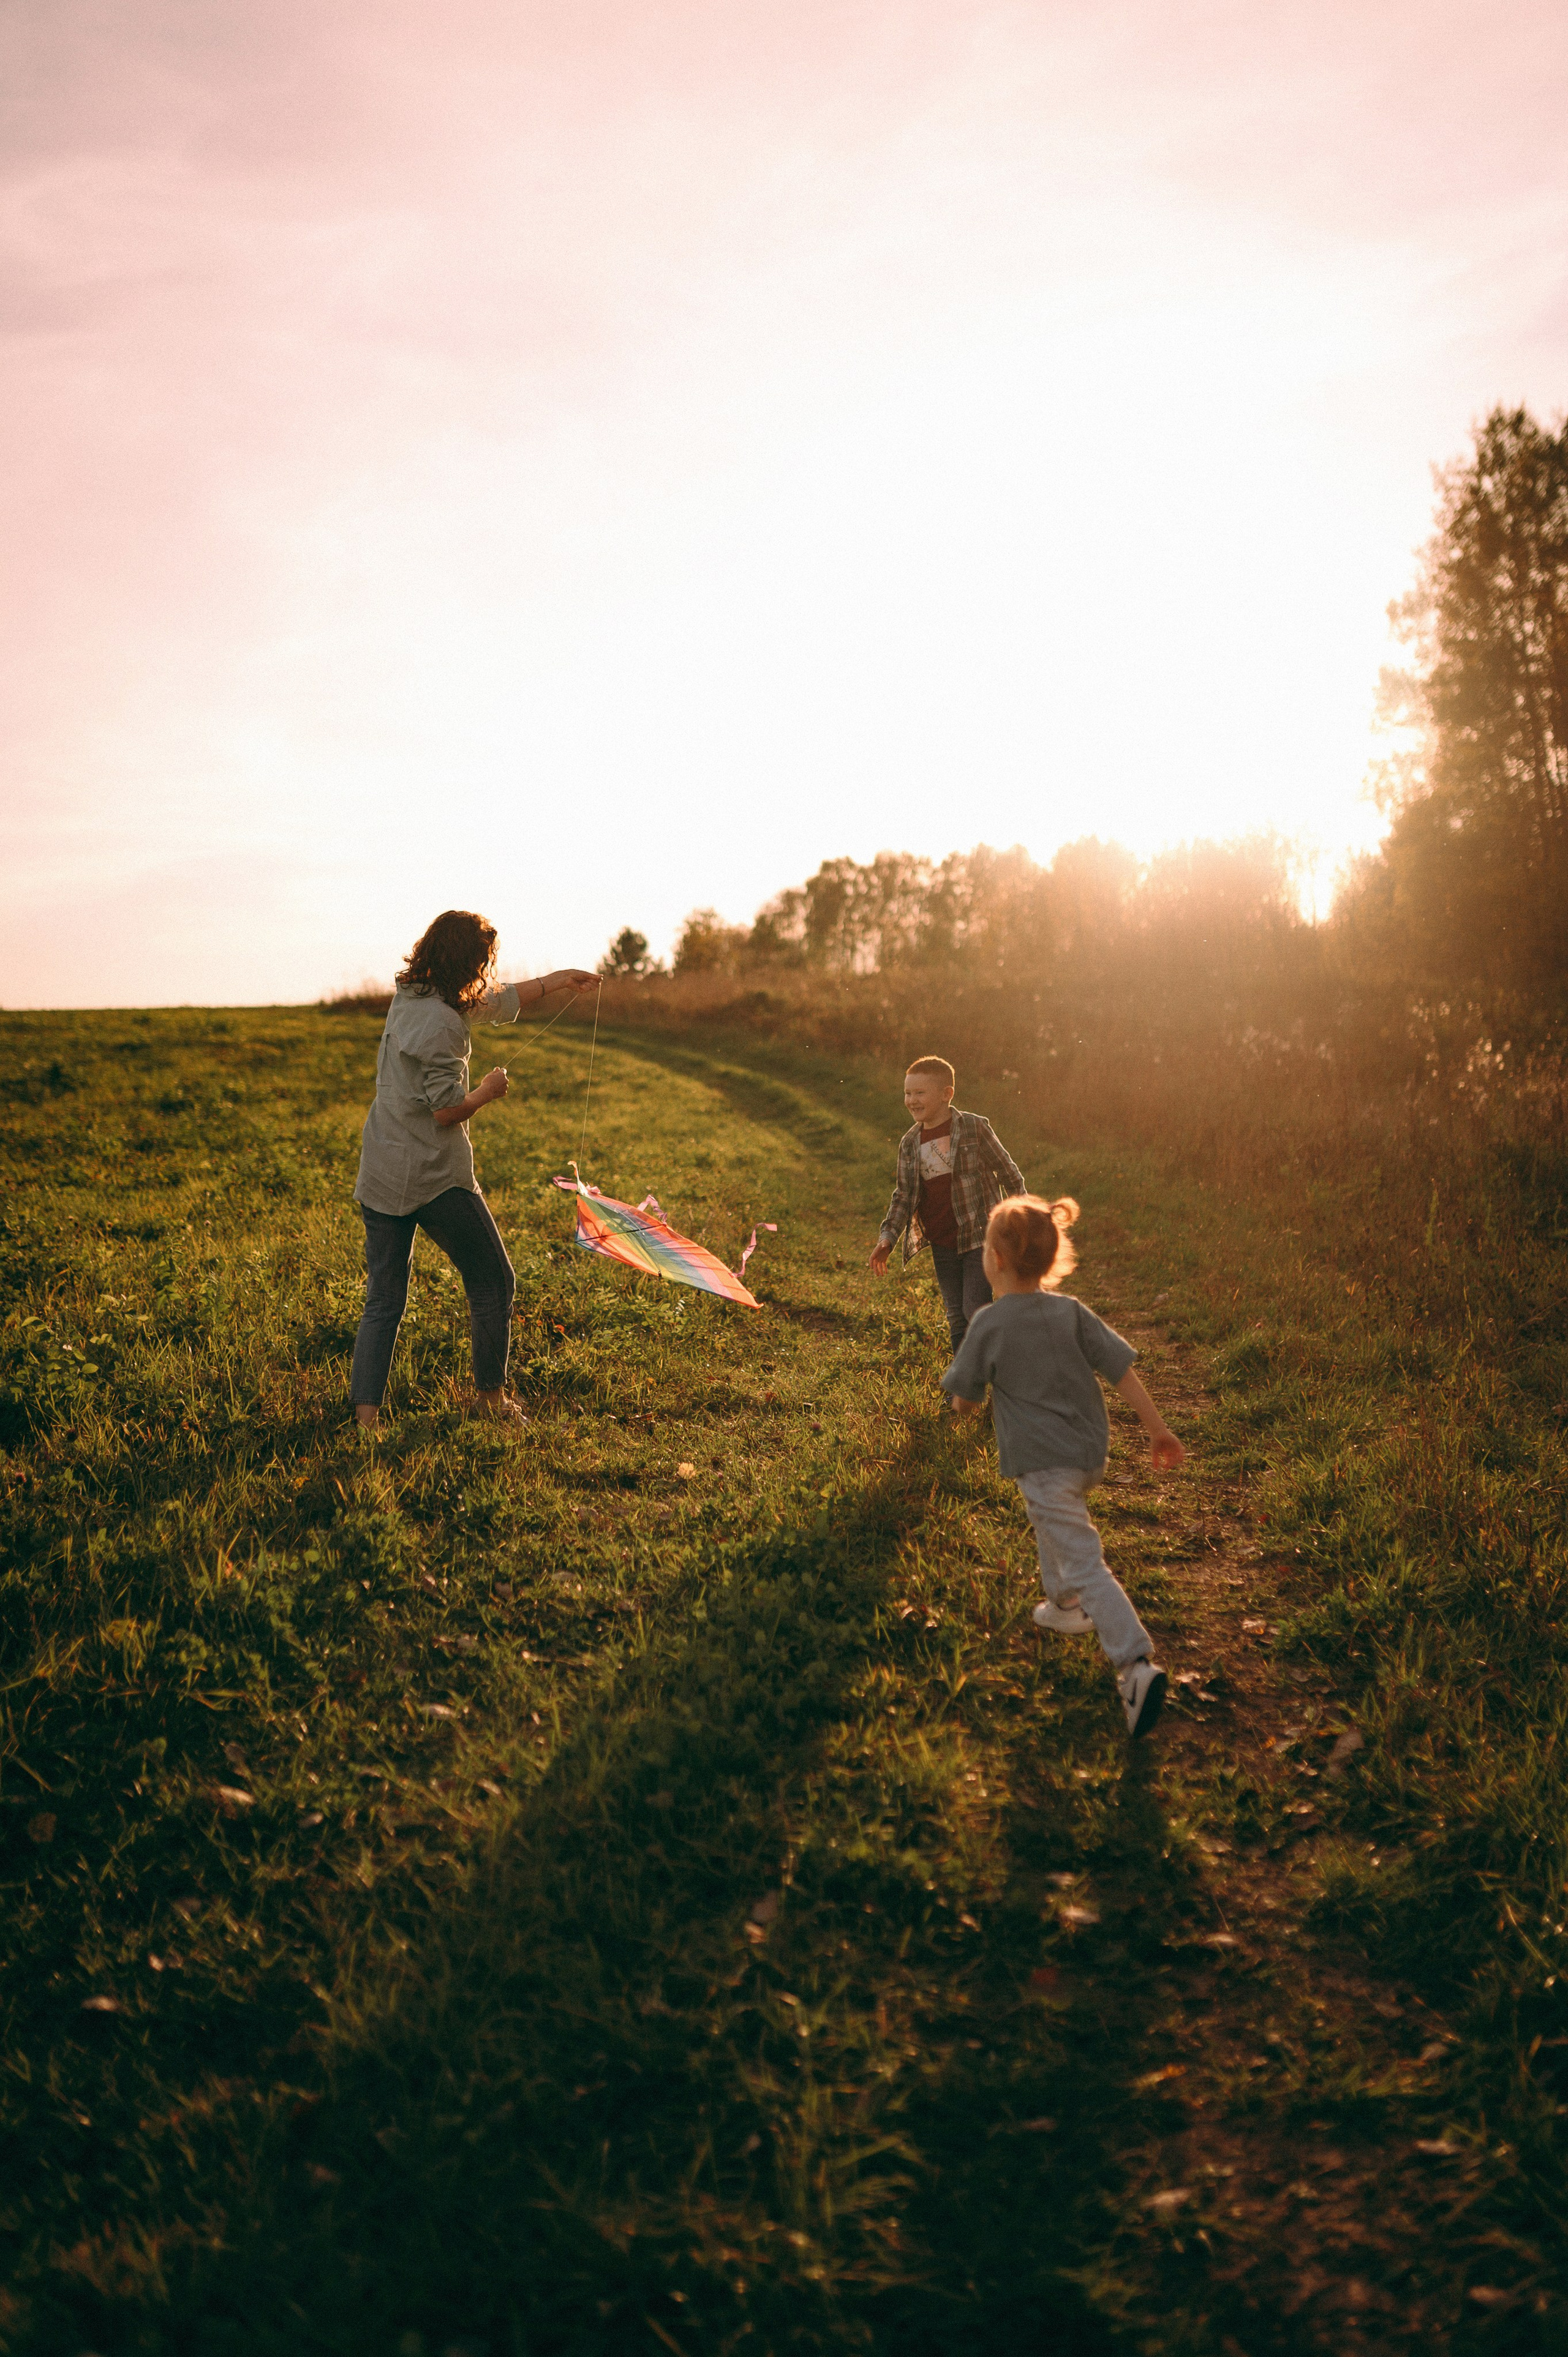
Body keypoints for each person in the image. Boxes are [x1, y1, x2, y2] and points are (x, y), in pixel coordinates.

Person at [941, 1193, 1185, 1740]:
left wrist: (961, 1411)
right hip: (1085, 1455)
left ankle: (1135, 1664)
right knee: (1053, 1519)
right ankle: (1065, 1604)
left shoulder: (988, 1322)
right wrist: (1157, 1429)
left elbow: (965, 1395)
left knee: (1083, 1556)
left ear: (995, 1261)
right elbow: (1121, 1370)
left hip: (1043, 1460)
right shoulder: (1072, 1312)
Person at [349, 910, 595, 1428]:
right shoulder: (441, 1021)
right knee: (494, 1281)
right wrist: (485, 1092)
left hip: (381, 1168)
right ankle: (490, 1402)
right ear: (464, 962)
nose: (485, 969)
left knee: (384, 1300)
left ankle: (365, 1420)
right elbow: (445, 1110)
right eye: (482, 961)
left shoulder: (412, 998)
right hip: (432, 1177)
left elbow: (498, 1001)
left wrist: (560, 980)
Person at [867, 1056, 1027, 1355]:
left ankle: (999, 1370)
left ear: (946, 1094)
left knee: (974, 1310)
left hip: (981, 1237)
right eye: (908, 1093)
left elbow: (1010, 1174)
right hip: (942, 1242)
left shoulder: (974, 1128)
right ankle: (963, 1387)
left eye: (920, 1093)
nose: (911, 1100)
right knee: (956, 1318)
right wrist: (887, 1238)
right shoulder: (910, 1143)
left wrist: (1022, 1222)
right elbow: (904, 1195)